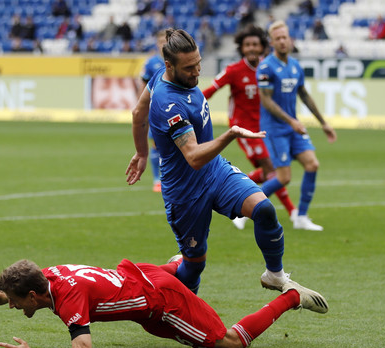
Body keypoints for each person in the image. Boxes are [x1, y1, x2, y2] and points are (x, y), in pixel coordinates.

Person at [126, 29, 326, 298]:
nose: (197, 72)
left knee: (264, 210)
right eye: (190, 68)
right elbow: (194, 157)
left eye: (198, 64)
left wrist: (140, 153)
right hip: (185, 193)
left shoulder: (161, 77)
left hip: (216, 172)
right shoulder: (168, 103)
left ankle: (275, 275)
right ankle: (183, 307)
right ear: (169, 66)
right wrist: (230, 134)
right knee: (195, 266)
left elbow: (138, 111)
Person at [0, 257, 327, 348]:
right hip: (140, 278)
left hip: (159, 301)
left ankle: (290, 295)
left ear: (34, 296)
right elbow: (2, 294)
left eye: (16, 303)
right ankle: (181, 266)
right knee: (172, 287)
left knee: (227, 343)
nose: (12, 307)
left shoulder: (67, 299)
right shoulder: (46, 277)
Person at [202, 25, 296, 230]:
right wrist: (189, 104)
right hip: (242, 129)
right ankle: (293, 211)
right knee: (273, 169)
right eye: (247, 45)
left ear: (263, 47)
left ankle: (229, 190)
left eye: (255, 44)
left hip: (265, 128)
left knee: (267, 171)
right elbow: (209, 91)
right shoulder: (233, 70)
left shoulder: (268, 69)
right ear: (241, 48)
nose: (252, 48)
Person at [257, 20, 336, 231]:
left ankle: (301, 217)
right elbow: (266, 100)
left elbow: (304, 95)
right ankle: (247, 204)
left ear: (290, 40)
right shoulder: (265, 67)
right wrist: (292, 120)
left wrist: (323, 123)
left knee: (312, 164)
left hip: (293, 127)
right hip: (275, 128)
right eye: (278, 39)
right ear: (272, 43)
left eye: (285, 37)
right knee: (284, 178)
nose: (283, 42)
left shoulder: (295, 66)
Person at [140, 29, 167, 192]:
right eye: (160, 41)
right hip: (155, 110)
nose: (163, 44)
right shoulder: (151, 63)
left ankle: (172, 177)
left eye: (166, 41)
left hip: (175, 108)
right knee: (156, 144)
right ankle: (157, 179)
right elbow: (143, 85)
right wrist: (141, 106)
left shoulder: (179, 61)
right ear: (156, 43)